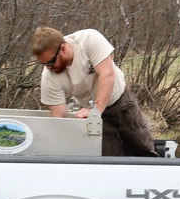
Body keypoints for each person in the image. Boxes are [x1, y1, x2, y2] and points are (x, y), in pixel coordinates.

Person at [31, 26, 157, 157]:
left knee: (143, 148)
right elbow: (59, 119)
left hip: (120, 101)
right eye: (44, 64)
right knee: (109, 160)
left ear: (62, 48)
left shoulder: (88, 40)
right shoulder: (48, 76)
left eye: (51, 62)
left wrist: (96, 110)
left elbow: (107, 74)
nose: (49, 67)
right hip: (90, 115)